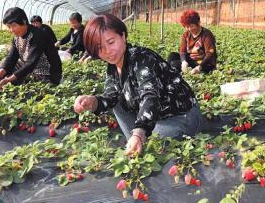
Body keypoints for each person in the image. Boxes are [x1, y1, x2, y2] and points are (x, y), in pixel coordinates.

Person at [73, 14, 203, 156]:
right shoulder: (113, 65)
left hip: (181, 116)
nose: (107, 51)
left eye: (111, 42)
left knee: (152, 147)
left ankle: (138, 140)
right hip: (156, 118)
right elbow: (110, 96)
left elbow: (150, 96)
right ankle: (134, 142)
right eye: (100, 47)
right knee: (116, 101)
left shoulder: (143, 59)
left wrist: (140, 133)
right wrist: (93, 102)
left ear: (122, 36)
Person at [0, 7, 62, 88]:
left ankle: (15, 81)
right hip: (29, 68)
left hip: (47, 72)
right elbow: (11, 58)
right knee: (4, 64)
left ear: (23, 22)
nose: (11, 30)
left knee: (34, 88)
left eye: (13, 26)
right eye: (9, 27)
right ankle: (5, 79)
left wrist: (9, 79)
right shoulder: (16, 38)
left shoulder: (38, 35)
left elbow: (31, 63)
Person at [168, 10, 217, 74]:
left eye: (192, 26)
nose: (190, 29)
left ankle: (178, 72)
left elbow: (210, 54)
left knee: (175, 64)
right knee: (172, 55)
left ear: (198, 23)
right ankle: (177, 69)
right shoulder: (186, 34)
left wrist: (199, 67)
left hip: (204, 62)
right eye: (187, 27)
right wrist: (183, 61)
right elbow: (182, 51)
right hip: (192, 59)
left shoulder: (206, 34)